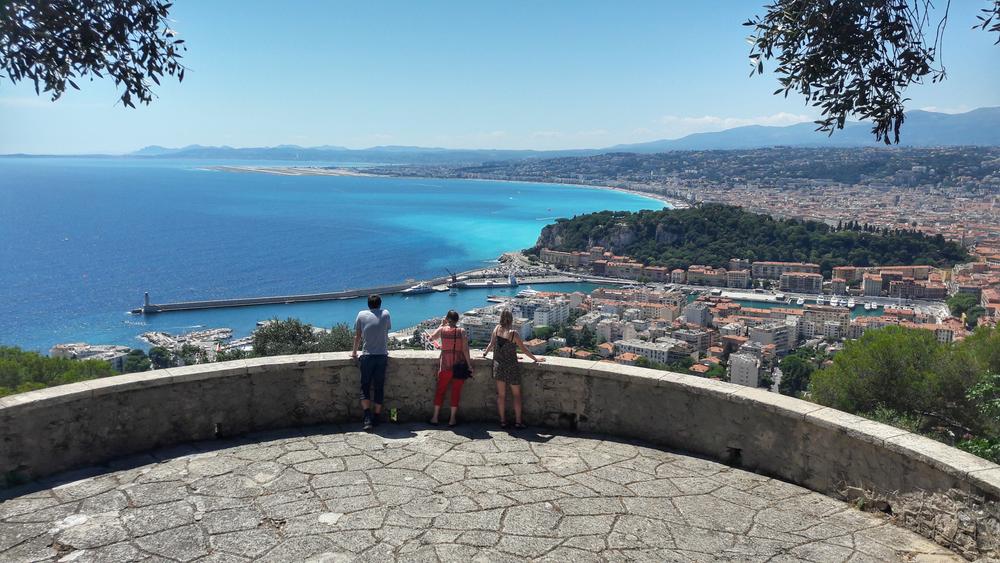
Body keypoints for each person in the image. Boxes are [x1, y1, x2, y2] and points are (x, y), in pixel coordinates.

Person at [482, 309, 544, 429]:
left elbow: (491, 344)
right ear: (511, 319)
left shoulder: (496, 329)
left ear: (501, 318)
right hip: (512, 367)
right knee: (516, 395)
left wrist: (484, 354)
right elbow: (524, 349)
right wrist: (535, 359)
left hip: (499, 367)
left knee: (501, 396)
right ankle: (518, 422)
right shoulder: (513, 334)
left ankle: (503, 421)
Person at [351, 294, 391, 431]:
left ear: (368, 305)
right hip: (382, 355)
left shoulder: (361, 315)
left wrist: (354, 353)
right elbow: (386, 330)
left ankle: (367, 418)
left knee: (365, 386)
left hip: (367, 356)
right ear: (380, 304)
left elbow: (357, 336)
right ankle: (377, 416)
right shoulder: (386, 313)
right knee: (379, 387)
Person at [427, 310, 473, 427]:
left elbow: (431, 339)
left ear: (447, 319)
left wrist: (441, 325)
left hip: (445, 366)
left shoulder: (442, 330)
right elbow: (465, 350)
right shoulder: (461, 331)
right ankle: (452, 419)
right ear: (457, 320)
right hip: (459, 366)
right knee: (455, 392)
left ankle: (435, 417)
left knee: (440, 391)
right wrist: (469, 365)